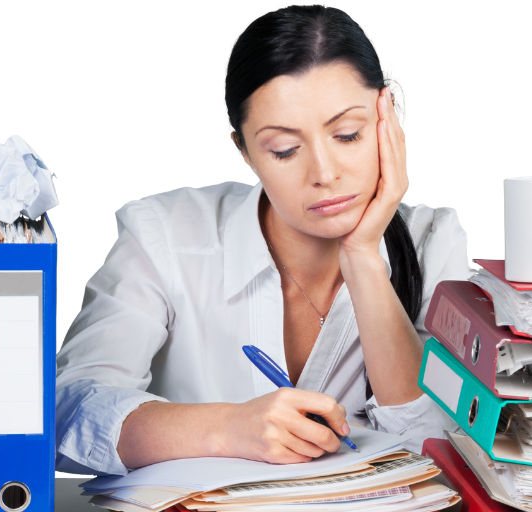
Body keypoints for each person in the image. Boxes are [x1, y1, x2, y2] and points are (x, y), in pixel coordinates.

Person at [54, 5, 470, 476]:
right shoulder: (164, 236)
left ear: (386, 117)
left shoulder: (433, 242)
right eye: (284, 150)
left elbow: (442, 445)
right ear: (245, 152)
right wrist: (228, 427)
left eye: (349, 135)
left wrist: (363, 258)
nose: (325, 173)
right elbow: (67, 412)